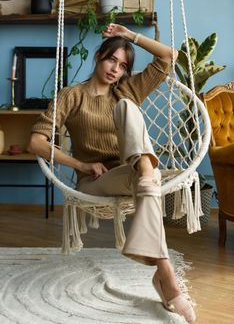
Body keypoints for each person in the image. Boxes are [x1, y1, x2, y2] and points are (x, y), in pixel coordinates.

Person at [28, 23, 196, 323]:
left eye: (122, 66)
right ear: (98, 56)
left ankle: (146, 171)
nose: (115, 69)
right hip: (93, 182)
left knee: (129, 114)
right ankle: (166, 275)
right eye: (111, 60)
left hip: (128, 173)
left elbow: (169, 57)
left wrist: (131, 35)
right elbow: (36, 142)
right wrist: (80, 165)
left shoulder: (126, 91)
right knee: (150, 176)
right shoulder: (71, 96)